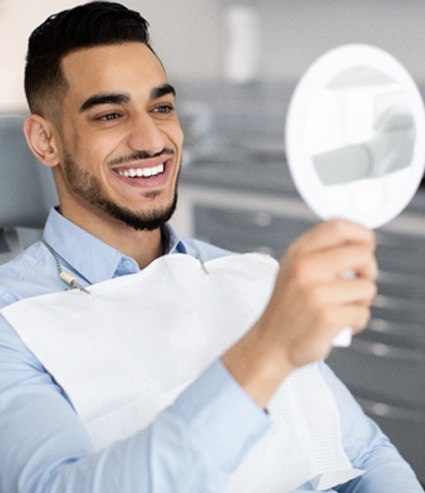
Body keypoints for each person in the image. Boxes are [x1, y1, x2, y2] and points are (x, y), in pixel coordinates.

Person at [0, 2, 422, 492]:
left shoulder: (250, 275)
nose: (152, 138)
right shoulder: (12, 322)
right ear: (45, 140)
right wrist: (267, 350)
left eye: (161, 107)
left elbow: (365, 453)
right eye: (110, 114)